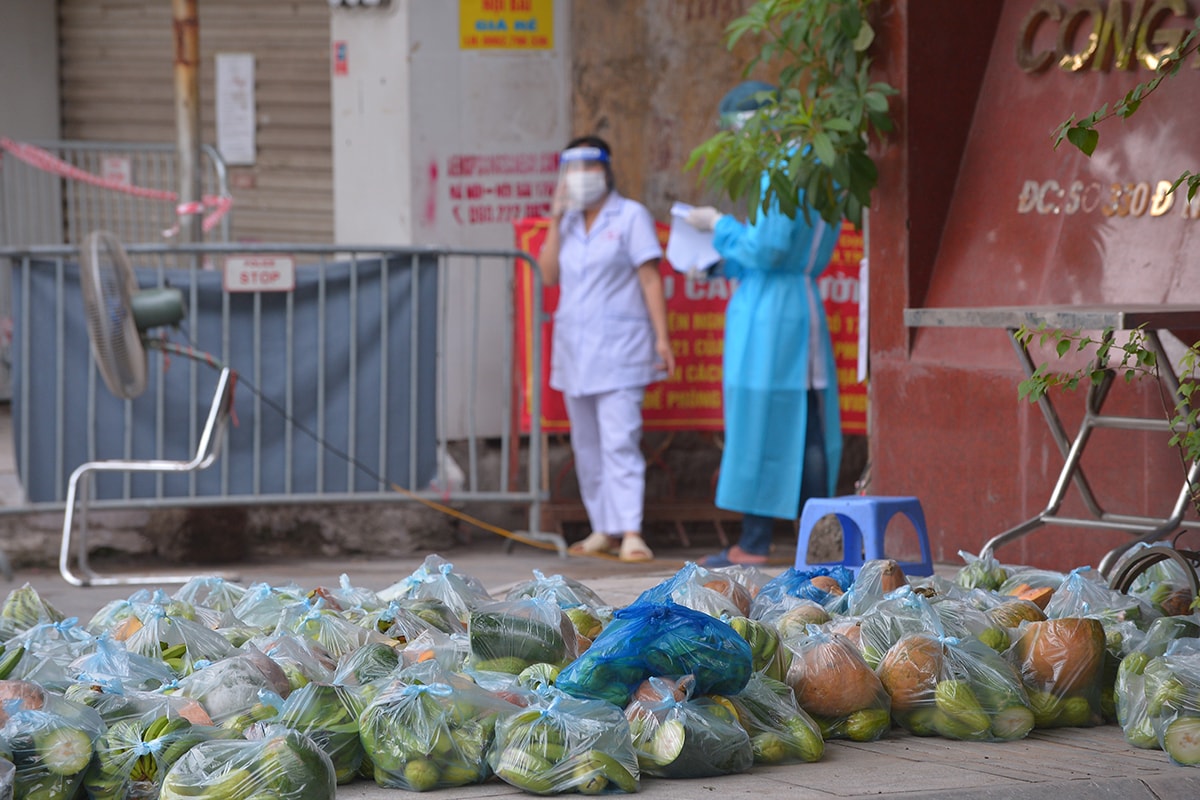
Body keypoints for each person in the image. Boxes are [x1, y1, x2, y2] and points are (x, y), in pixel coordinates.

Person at [685, 81, 843, 567]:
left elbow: (769, 249)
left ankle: (760, 541)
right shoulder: (815, 161)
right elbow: (774, 251)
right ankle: (812, 539)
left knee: (780, 421)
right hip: (787, 299)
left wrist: (719, 227)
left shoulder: (786, 166)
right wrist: (722, 261)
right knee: (800, 417)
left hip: (775, 312)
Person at [538, 135, 675, 563]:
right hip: (576, 350)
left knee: (620, 439)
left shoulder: (630, 216)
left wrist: (662, 337)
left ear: (605, 170)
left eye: (587, 169)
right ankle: (603, 528)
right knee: (587, 445)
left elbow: (650, 277)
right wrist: (554, 219)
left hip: (622, 347)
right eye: (572, 170)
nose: (580, 178)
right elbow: (546, 275)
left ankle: (631, 530)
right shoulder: (569, 223)